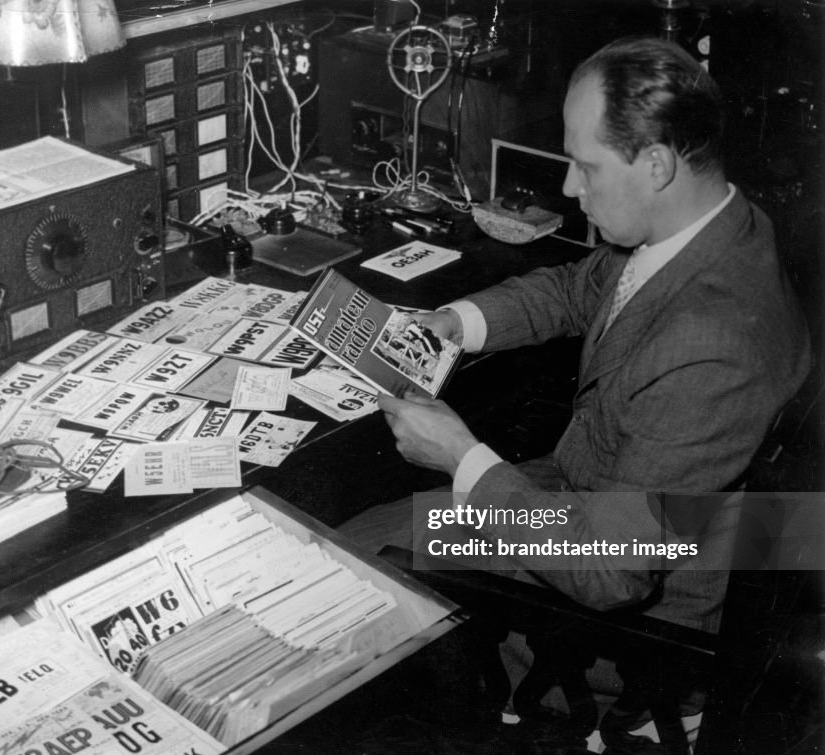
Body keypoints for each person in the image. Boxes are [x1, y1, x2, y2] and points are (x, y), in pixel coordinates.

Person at [344, 36, 810, 637]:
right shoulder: (711, 228)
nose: (568, 188)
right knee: (361, 537)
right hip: (577, 505)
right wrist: (456, 322)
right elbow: (576, 289)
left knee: (349, 578)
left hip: (618, 616)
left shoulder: (713, 349)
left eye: (586, 167)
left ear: (658, 166)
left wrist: (460, 457)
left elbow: (613, 572)